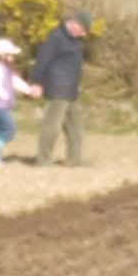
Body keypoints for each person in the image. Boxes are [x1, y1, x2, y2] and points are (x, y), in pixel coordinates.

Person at [30, 10, 92, 167]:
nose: (84, 34)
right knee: (52, 126)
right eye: (83, 30)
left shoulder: (74, 40)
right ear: (75, 24)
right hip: (57, 88)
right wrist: (36, 82)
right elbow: (42, 60)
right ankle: (43, 159)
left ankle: (74, 159)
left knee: (75, 127)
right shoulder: (56, 38)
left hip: (71, 89)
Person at [0, 37, 38, 169]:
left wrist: (28, 90)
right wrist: (5, 95)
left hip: (2, 104)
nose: (12, 58)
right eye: (10, 55)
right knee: (9, 130)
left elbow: (15, 81)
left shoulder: (7, 69)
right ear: (2, 55)